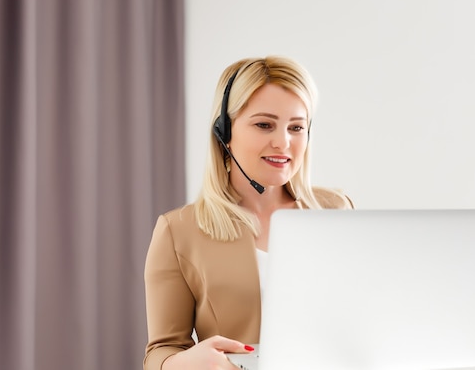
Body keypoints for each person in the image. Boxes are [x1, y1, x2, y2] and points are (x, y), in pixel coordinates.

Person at [143, 55, 353, 370]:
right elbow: (160, 352)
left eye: (296, 127)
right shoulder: (178, 231)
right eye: (264, 124)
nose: (283, 142)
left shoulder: (336, 210)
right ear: (224, 131)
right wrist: (183, 363)